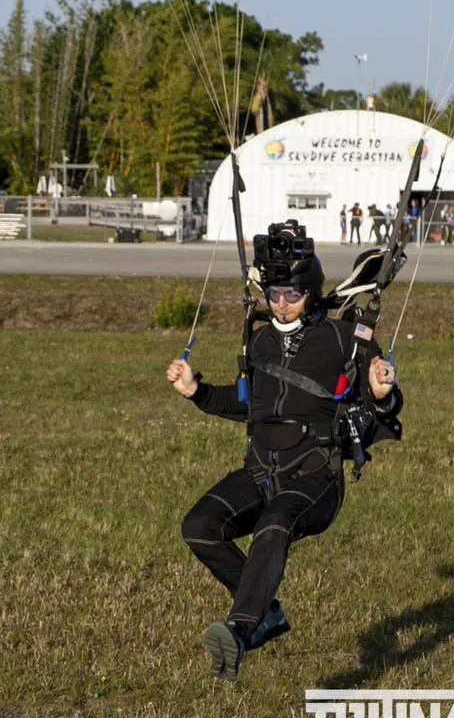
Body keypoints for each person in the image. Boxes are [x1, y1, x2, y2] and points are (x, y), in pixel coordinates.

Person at [167, 224, 401, 680]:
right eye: (273, 294)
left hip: (315, 475)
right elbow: (248, 405)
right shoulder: (259, 340)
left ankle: (241, 628)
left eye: (291, 294)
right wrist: (196, 392)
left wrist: (380, 392)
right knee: (199, 527)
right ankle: (267, 612)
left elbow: (386, 408)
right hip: (260, 469)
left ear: (311, 293)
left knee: (275, 523)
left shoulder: (343, 339)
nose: (280, 304)